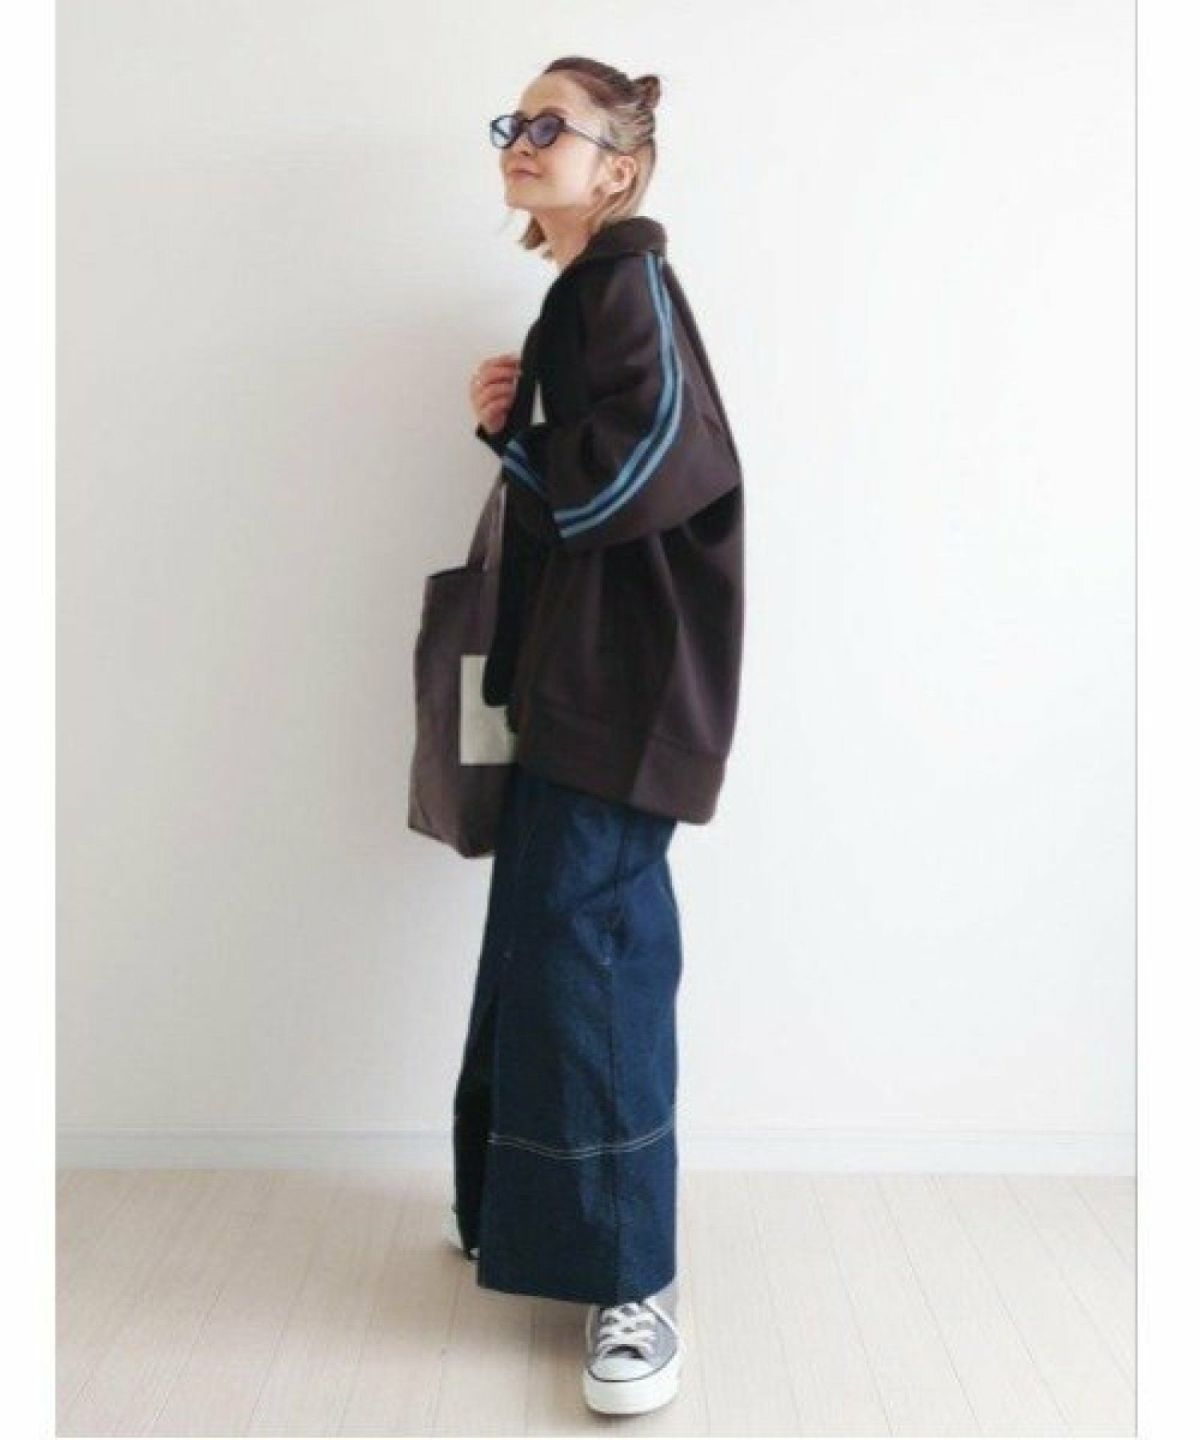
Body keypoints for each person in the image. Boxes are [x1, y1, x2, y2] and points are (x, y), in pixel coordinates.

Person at [449, 54, 744, 1418]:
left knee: (597, 960)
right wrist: (518, 428)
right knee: (544, 943)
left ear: (616, 166)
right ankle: (515, 1216)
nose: (521, 140)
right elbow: (605, 465)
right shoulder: (582, 293)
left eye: (549, 126)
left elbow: (663, 461)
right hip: (583, 680)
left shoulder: (627, 279)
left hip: (625, 689)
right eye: (514, 123)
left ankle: (632, 1281)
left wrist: (532, 443)